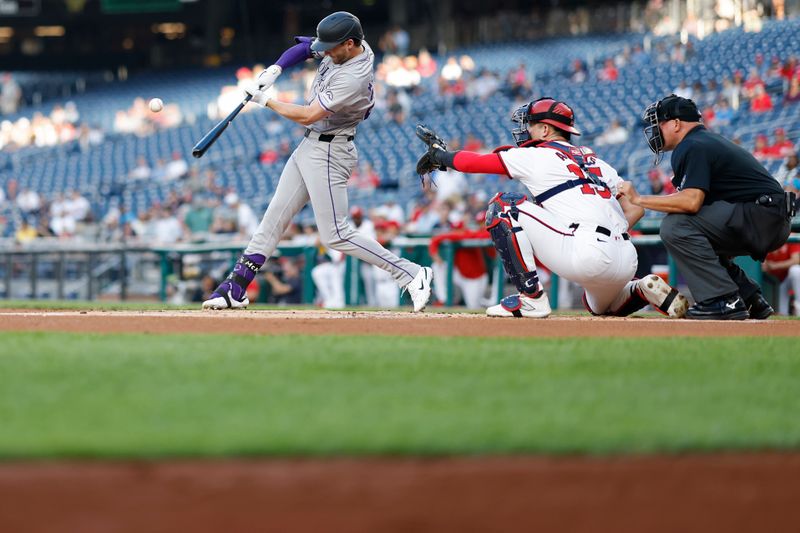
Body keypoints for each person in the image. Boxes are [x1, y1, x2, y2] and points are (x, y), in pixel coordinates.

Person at [203, 11, 433, 311]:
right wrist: (276, 68)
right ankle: (235, 286)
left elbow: (309, 115)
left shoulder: (354, 76)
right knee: (273, 219)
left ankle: (411, 274)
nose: (323, 51)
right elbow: (303, 48)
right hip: (310, 147)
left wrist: (266, 101)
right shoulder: (346, 47)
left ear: (350, 44)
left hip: (330, 151)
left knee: (336, 234)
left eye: (331, 47)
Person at [414, 97, 688, 319]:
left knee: (503, 206)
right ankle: (640, 288)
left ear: (545, 129)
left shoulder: (536, 154)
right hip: (626, 257)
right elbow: (636, 208)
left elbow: (476, 163)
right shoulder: (596, 160)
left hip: (586, 251)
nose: (525, 130)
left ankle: (531, 298)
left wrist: (440, 156)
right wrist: (613, 232)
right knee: (600, 307)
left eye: (531, 124)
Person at [619, 94, 795, 320]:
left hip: (762, 215)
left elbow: (691, 202)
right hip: (770, 216)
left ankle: (722, 301)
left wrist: (639, 199)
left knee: (675, 226)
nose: (655, 130)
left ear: (675, 123)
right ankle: (749, 298)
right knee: (696, 233)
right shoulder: (704, 141)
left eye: (659, 123)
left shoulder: (691, 145)